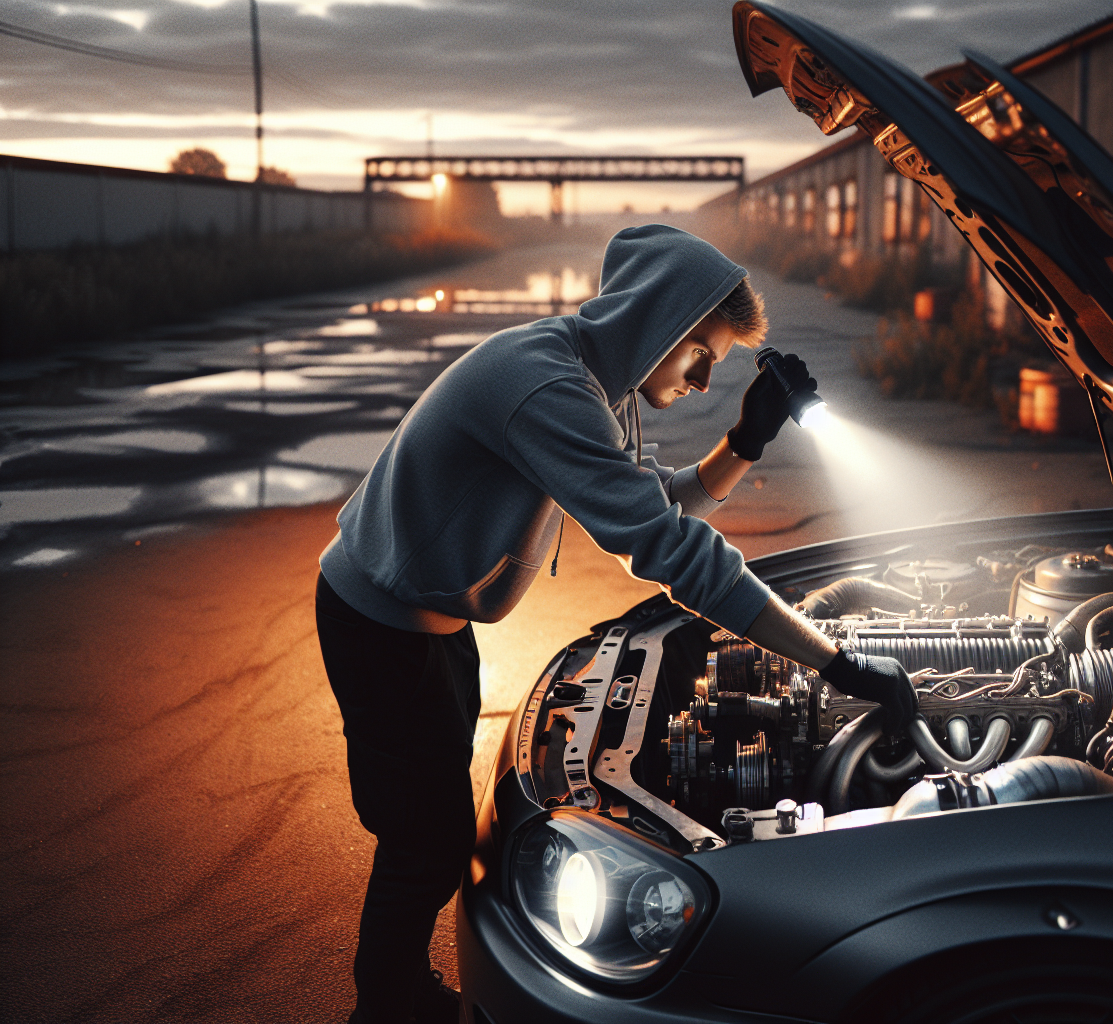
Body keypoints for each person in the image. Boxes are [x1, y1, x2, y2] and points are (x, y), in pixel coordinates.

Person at [312, 225, 913, 1024]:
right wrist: (831, 662)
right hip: (379, 625)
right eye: (700, 353)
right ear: (657, 320)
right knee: (425, 839)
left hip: (433, 624)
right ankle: (385, 1008)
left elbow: (653, 501)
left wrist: (745, 440)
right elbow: (666, 547)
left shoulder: (580, 380)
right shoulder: (543, 386)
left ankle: (396, 994)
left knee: (436, 827)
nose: (703, 380)